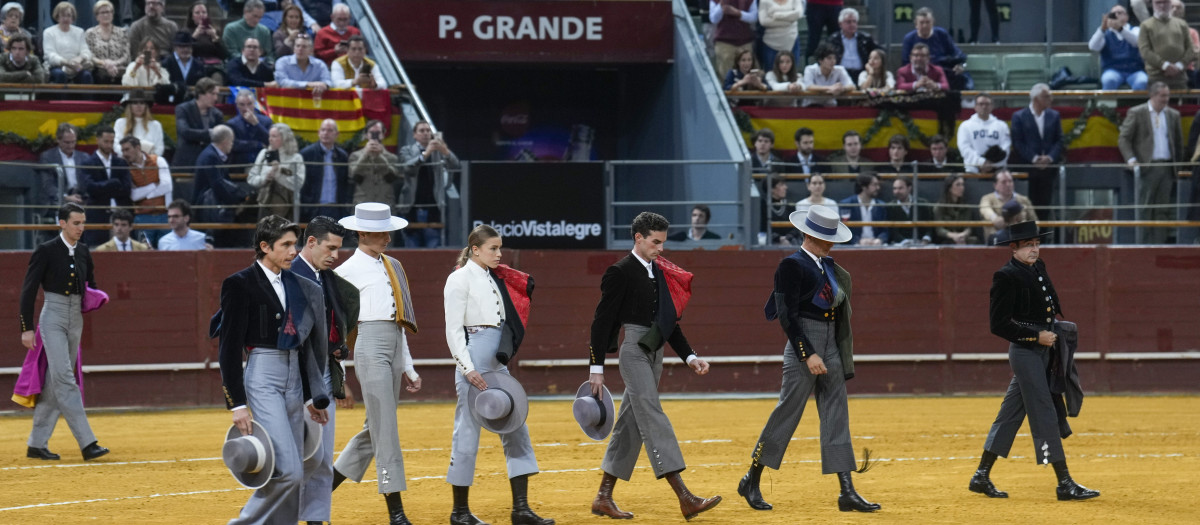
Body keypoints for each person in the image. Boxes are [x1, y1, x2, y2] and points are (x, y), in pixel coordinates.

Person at [739, 204, 879, 513]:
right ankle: (752, 478)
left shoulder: (825, 265)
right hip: (805, 341)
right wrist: (808, 352)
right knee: (788, 411)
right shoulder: (791, 266)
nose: (829, 243)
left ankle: (846, 491)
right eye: (822, 237)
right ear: (807, 234)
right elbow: (787, 316)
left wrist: (829, 349)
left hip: (828, 341)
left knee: (836, 412)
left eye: (830, 237)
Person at [587, 211, 720, 521]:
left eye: (663, 242)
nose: (660, 249)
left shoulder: (659, 272)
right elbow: (602, 322)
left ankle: (603, 497)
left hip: (655, 351)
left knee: (631, 423)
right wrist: (596, 366)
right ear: (638, 238)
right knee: (652, 414)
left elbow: (668, 322)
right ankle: (685, 497)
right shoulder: (619, 272)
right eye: (655, 242)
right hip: (633, 350)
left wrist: (690, 357)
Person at [968, 220, 1100, 502]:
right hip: (1025, 352)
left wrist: (1049, 334)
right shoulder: (1005, 276)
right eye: (1029, 245)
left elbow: (1049, 306)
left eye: (1037, 244)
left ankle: (981, 475)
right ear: (1013, 248)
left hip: (1043, 351)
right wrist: (1034, 336)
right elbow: (998, 324)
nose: (1035, 249)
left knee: (1010, 415)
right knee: (1043, 411)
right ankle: (1064, 482)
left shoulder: (1038, 267)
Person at [217, 214, 330, 524]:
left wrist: (310, 396)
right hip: (263, 375)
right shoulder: (239, 284)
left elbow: (306, 348)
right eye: (286, 245)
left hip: (294, 377)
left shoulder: (298, 284)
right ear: (265, 247)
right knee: (289, 471)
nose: (293, 251)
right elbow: (228, 348)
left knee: (296, 466)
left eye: (294, 244)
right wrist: (237, 404)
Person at [442, 224, 554, 525]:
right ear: (475, 249)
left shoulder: (494, 277)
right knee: (467, 430)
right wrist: (467, 369)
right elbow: (453, 330)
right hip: (474, 358)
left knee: (516, 426)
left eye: (500, 247)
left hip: (496, 361)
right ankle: (460, 513)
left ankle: (520, 509)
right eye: (493, 248)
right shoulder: (458, 278)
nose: (499, 253)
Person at [330, 202, 422, 525]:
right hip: (368, 344)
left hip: (394, 343)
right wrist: (338, 377)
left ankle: (321, 486)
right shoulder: (344, 272)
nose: (389, 238)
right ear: (363, 233)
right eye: (383, 233)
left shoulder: (394, 265)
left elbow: (400, 319)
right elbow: (337, 330)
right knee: (386, 429)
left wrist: (408, 365)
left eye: (389, 232)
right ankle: (395, 510)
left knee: (377, 427)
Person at [19, 202, 111, 462]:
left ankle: (36, 444)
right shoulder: (46, 251)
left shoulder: (83, 252)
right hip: (53, 317)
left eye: (83, 223)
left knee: (54, 383)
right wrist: (26, 328)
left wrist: (96, 297)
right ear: (62, 223)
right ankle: (87, 442)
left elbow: (89, 284)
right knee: (65, 380)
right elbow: (28, 290)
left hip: (75, 319)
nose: (81, 228)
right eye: (76, 223)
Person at [292, 216, 357, 525]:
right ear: (312, 242)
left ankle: (316, 519)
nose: (336, 255)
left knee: (321, 458)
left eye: (339, 249)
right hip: (296, 377)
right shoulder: (289, 273)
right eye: (330, 248)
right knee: (298, 458)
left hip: (325, 374)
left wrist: (338, 350)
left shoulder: (326, 278)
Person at [1118, 81, 1181, 244]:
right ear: (1152, 95)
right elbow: (1123, 138)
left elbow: (1178, 144)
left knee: (1163, 210)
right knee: (1144, 209)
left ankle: (1159, 247)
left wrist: (1178, 167)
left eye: (1168, 96)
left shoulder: (1173, 115)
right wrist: (1131, 160)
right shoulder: (1137, 112)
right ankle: (1143, 246)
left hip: (1167, 168)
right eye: (1162, 96)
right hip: (1147, 167)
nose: (1166, 99)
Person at [399, 120, 461, 248]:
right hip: (411, 207)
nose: (426, 133)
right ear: (414, 135)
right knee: (411, 249)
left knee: (433, 248)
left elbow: (456, 165)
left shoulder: (439, 152)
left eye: (428, 131)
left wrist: (445, 151)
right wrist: (425, 154)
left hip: (434, 206)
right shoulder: (407, 150)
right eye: (422, 131)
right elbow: (408, 168)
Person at [1010, 84, 1064, 219]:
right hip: (1028, 169)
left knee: (1044, 208)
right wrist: (1034, 158)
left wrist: (1050, 158)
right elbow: (1018, 142)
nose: (1050, 99)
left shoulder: (1054, 115)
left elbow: (1059, 140)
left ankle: (1043, 239)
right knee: (1026, 208)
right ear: (1036, 99)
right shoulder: (1019, 116)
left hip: (1048, 170)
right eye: (1046, 96)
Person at [78, 126, 132, 245]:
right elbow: (89, 188)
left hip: (120, 213)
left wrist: (102, 188)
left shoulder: (120, 162)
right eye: (106, 141)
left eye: (112, 142)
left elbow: (127, 188)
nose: (109, 145)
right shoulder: (87, 163)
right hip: (97, 214)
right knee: (96, 250)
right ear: (97, 140)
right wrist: (112, 184)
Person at [120, 135, 172, 245]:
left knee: (167, 252)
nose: (125, 154)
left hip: (164, 215)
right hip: (143, 216)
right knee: (144, 252)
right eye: (123, 150)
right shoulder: (126, 168)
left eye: (127, 149)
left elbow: (167, 186)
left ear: (138, 148)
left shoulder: (158, 160)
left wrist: (145, 194)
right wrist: (154, 185)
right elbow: (134, 195)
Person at [901, 8, 970, 90]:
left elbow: (957, 54)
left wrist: (960, 65)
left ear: (933, 22)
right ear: (916, 24)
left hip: (943, 71)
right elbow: (905, 62)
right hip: (919, 73)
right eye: (922, 23)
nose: (925, 26)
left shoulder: (942, 34)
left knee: (961, 78)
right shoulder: (909, 38)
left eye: (927, 22)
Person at [248, 123, 306, 219]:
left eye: (274, 136)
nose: (270, 139)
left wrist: (278, 175)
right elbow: (251, 178)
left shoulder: (296, 158)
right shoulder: (263, 154)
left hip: (288, 206)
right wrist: (264, 179)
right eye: (270, 136)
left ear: (284, 138)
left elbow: (298, 183)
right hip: (265, 203)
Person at [1089, 4, 1148, 90]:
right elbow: (1093, 47)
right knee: (1109, 80)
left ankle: (1138, 103)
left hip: (1135, 70)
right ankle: (1107, 104)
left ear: (1127, 16)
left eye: (1120, 13)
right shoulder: (1105, 33)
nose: (1116, 16)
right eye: (1113, 14)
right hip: (1113, 70)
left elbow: (1136, 42)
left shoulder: (1135, 30)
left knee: (1142, 81)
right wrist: (1102, 29)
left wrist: (1120, 29)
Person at [1137, 0, 1194, 90]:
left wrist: (1179, 66)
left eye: (1165, 2)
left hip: (1180, 77)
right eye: (1158, 2)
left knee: (1182, 104)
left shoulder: (1182, 24)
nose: (1162, 5)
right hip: (1156, 78)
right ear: (1152, 4)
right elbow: (1145, 51)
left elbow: (1191, 49)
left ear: (1170, 3)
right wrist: (1164, 65)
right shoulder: (1145, 26)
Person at [300, 119, 351, 220]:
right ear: (318, 133)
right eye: (323, 130)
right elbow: (303, 184)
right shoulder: (307, 154)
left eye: (330, 130)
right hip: (313, 208)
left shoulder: (342, 156)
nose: (325, 133)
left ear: (337, 134)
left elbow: (345, 183)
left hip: (336, 208)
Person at [38, 124, 88, 217]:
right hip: (58, 201)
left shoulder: (84, 157)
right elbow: (47, 185)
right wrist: (66, 197)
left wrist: (82, 196)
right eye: (67, 142)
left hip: (80, 200)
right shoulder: (48, 157)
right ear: (58, 140)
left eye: (73, 142)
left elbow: (88, 181)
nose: (71, 146)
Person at [174, 77, 224, 170]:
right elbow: (185, 132)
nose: (216, 98)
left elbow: (221, 136)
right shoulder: (183, 109)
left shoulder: (217, 114)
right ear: (201, 93)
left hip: (209, 162)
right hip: (187, 162)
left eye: (217, 94)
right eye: (212, 94)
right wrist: (210, 133)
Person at [350, 120, 402, 206]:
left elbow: (392, 177)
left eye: (378, 132)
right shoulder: (355, 156)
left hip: (385, 203)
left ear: (383, 134)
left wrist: (379, 156)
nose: (375, 136)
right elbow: (354, 175)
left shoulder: (392, 157)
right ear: (366, 135)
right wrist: (365, 155)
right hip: (362, 203)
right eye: (372, 133)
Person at [957, 93, 1011, 174]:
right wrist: (981, 162)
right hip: (973, 171)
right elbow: (965, 149)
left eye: (987, 104)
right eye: (981, 104)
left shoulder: (1002, 125)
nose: (984, 107)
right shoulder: (965, 126)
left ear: (992, 106)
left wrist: (993, 164)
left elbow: (1006, 148)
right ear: (975, 106)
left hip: (998, 172)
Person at [43, 2, 94, 84]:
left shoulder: (79, 32)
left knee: (86, 75)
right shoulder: (49, 32)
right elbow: (50, 55)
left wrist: (79, 59)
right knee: (61, 75)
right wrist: (67, 63)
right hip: (57, 67)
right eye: (63, 15)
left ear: (73, 17)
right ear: (57, 16)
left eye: (69, 15)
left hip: (76, 68)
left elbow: (86, 51)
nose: (66, 18)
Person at [980, 170, 1038, 241]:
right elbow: (985, 210)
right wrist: (995, 218)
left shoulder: (1024, 200)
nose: (1008, 184)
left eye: (1010, 181)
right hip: (997, 241)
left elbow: (1035, 221)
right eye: (1003, 182)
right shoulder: (987, 198)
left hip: (1021, 240)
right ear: (995, 185)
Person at [709, 0, 758, 80]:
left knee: (748, 73)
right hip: (724, 42)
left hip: (745, 41)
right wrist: (721, 5)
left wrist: (737, 13)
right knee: (725, 75)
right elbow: (713, 19)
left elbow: (754, 17)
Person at [827, 8, 878, 83]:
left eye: (854, 21)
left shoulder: (865, 38)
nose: (852, 24)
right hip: (840, 75)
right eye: (848, 22)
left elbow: (878, 52)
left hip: (862, 74)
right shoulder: (833, 40)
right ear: (840, 24)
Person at [837, 173, 888, 245]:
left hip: (876, 245)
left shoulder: (881, 206)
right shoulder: (847, 204)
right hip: (854, 246)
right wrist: (858, 241)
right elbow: (843, 230)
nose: (878, 188)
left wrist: (880, 240)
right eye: (874, 185)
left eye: (878, 185)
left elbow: (885, 231)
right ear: (864, 187)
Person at [85, 1, 128, 84]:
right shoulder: (90, 33)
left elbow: (126, 56)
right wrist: (105, 64)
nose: (105, 15)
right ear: (97, 16)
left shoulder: (123, 32)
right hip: (99, 70)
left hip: (119, 69)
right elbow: (89, 55)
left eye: (108, 12)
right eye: (102, 13)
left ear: (112, 14)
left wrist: (113, 64)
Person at [228, 89, 275, 166]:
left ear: (254, 104)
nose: (246, 108)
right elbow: (234, 145)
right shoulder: (231, 124)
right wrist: (258, 145)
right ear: (237, 105)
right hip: (241, 164)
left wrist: (256, 124)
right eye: (242, 104)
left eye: (249, 104)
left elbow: (270, 142)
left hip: (263, 163)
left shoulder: (266, 121)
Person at [800, 43, 855, 107]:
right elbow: (809, 86)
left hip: (830, 106)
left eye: (834, 58)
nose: (833, 61)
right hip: (811, 106)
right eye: (829, 58)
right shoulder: (809, 69)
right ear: (820, 60)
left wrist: (842, 88)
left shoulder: (840, 69)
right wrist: (830, 88)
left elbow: (852, 86)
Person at [185, 0, 227, 82]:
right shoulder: (186, 32)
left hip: (214, 67)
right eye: (197, 13)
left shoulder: (215, 31)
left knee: (217, 78)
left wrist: (215, 37)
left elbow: (224, 55)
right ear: (192, 16)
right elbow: (184, 51)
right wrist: (194, 36)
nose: (201, 15)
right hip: (195, 66)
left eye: (204, 12)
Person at [757, 0, 802, 76]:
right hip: (770, 44)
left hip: (791, 41)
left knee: (792, 75)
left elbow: (798, 14)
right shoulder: (764, 1)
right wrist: (789, 21)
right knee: (771, 75)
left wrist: (777, 15)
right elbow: (764, 21)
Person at [115, 91, 165, 156]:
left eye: (142, 103)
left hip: (149, 162)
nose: (139, 106)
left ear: (146, 106)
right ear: (129, 106)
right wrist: (131, 156)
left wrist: (145, 159)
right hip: (126, 161)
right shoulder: (120, 123)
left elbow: (159, 148)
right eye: (135, 103)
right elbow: (116, 146)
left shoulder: (155, 125)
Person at [887, 175, 934, 245]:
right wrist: (905, 242)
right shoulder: (890, 207)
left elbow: (930, 226)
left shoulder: (922, 203)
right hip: (900, 244)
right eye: (894, 189)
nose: (897, 191)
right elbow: (892, 231)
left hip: (921, 243)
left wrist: (925, 240)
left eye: (900, 188)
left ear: (909, 188)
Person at [935, 175, 981, 245]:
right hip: (947, 239)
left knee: (974, 241)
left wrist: (962, 235)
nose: (962, 188)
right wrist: (954, 236)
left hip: (963, 238)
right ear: (949, 188)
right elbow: (939, 230)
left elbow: (969, 227)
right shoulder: (940, 207)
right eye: (958, 185)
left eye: (962, 185)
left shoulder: (966, 207)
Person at [767, 178, 799, 245]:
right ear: (772, 189)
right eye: (781, 185)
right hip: (771, 240)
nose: (785, 187)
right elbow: (764, 228)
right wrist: (778, 238)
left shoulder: (789, 205)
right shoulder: (764, 205)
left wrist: (787, 238)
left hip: (789, 240)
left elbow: (796, 228)